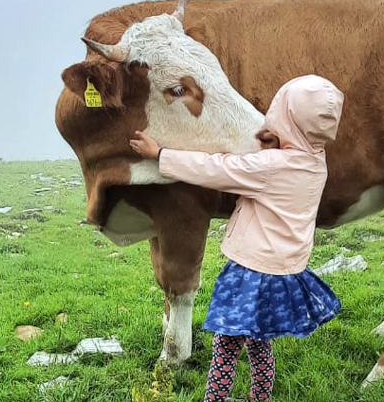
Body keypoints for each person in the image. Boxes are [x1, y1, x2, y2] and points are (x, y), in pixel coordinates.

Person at [129, 75, 344, 401]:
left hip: (249, 273)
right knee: (259, 343)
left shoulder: (270, 167)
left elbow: (216, 169)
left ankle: (214, 398)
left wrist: (161, 155)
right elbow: (285, 160)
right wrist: (279, 142)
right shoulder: (315, 161)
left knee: (226, 344)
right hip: (281, 273)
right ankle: (261, 397)